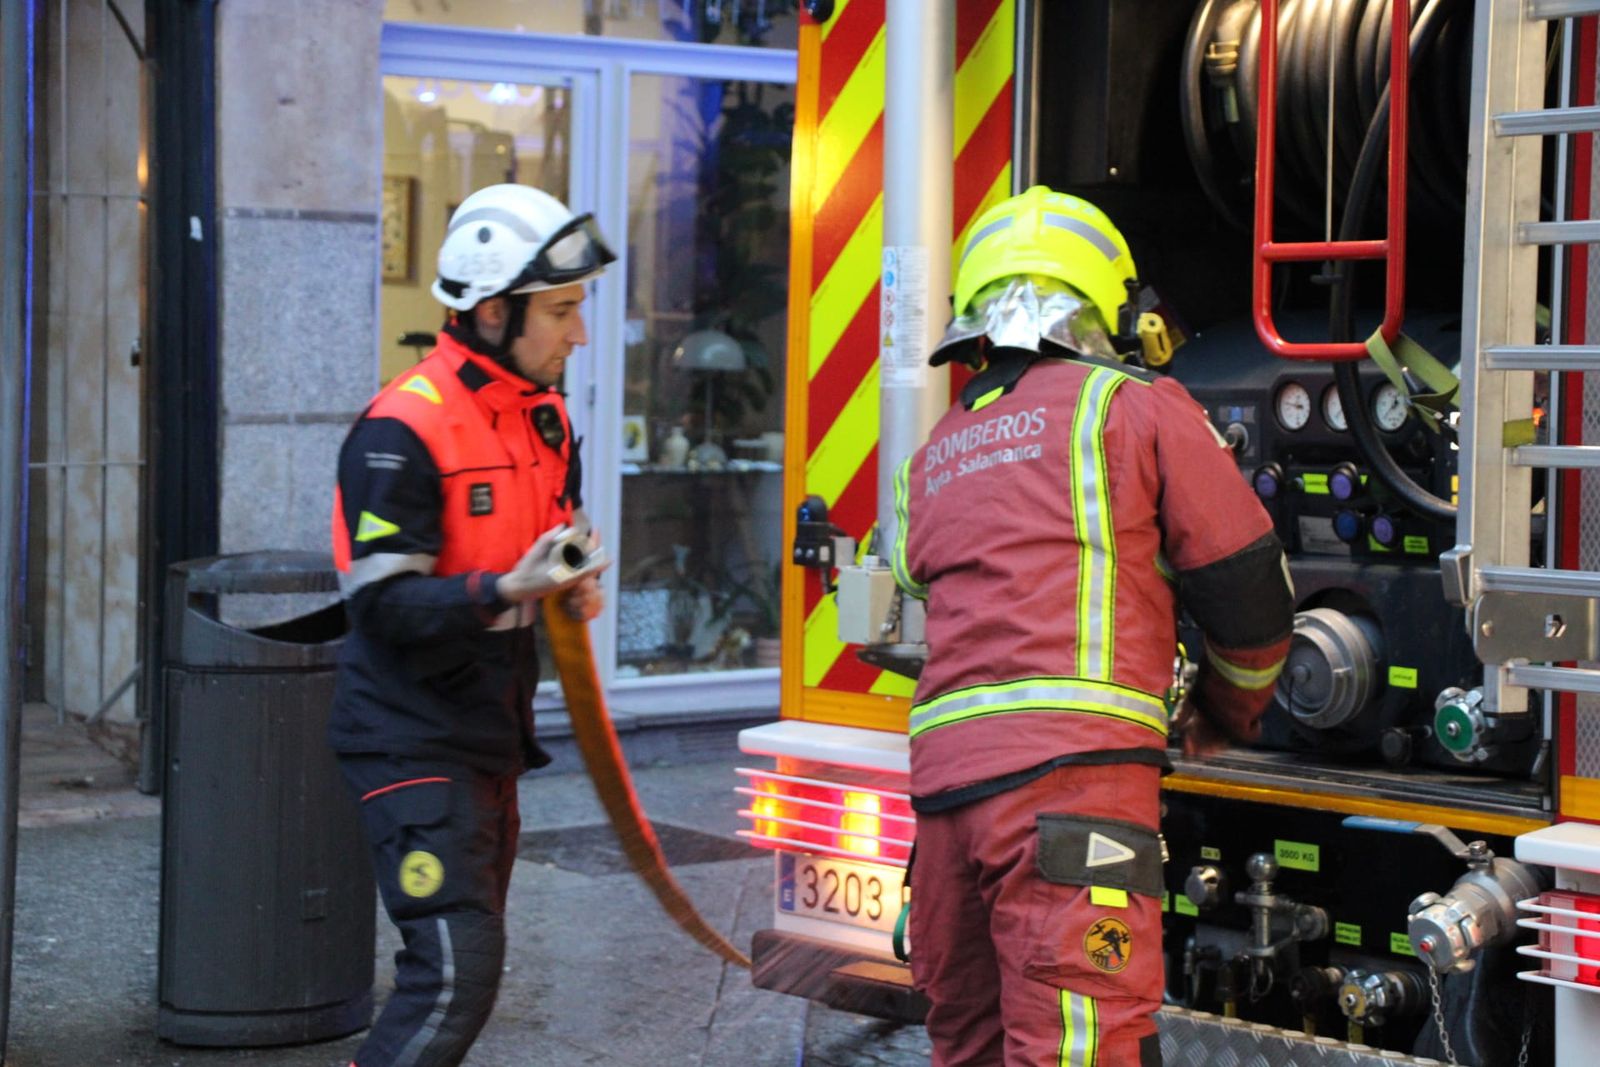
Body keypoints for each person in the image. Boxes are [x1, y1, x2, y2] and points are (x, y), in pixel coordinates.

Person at [889, 185, 1295, 1066]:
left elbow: (924, 585)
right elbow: (1247, 585)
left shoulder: (933, 456)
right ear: (1107, 306)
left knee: (972, 1043)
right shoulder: (1134, 406)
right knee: (1082, 1045)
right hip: (1071, 797)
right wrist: (1227, 711)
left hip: (946, 806)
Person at [329, 183, 615, 1066]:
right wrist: (501, 588)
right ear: (493, 310)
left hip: (489, 737)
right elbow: (377, 606)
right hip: (409, 743)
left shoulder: (546, 414)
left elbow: (544, 546)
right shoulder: (400, 430)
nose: (580, 333)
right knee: (452, 974)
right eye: (562, 310)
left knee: (462, 971)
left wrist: (565, 585)